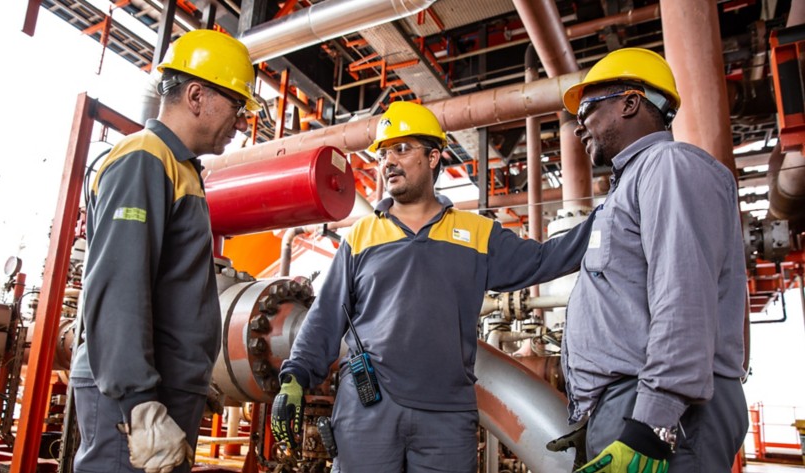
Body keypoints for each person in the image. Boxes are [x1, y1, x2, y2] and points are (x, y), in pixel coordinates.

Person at [270, 101, 596, 472]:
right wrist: (295, 377)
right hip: (369, 408)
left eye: (402, 149)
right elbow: (325, 315)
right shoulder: (362, 235)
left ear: (434, 156)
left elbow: (544, 259)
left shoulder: (476, 234)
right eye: (384, 153)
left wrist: (607, 218)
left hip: (446, 415)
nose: (389, 161)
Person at [69, 29, 259, 473]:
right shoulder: (144, 159)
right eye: (237, 106)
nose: (242, 122)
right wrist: (140, 403)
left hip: (164, 391)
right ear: (196, 96)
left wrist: (192, 381)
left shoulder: (181, 170)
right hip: (135, 403)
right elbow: (119, 289)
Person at [558, 47, 748, 472]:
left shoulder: (670, 165)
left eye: (587, 109)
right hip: (631, 404)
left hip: (664, 414)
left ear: (631, 102)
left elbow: (684, 299)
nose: (577, 127)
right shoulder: (629, 188)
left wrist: (651, 424)